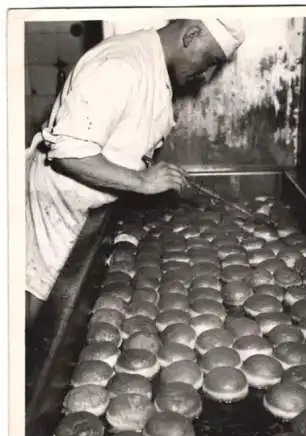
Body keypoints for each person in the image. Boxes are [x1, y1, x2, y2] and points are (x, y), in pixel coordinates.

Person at [25, 17, 245, 328]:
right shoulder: (120, 64)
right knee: (42, 310)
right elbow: (69, 153)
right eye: (209, 61)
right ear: (191, 34)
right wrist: (141, 181)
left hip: (90, 205)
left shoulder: (152, 65)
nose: (207, 75)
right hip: (59, 207)